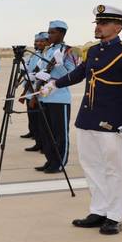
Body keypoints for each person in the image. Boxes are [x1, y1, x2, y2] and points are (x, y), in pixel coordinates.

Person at [41, 5, 122, 235]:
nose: (98, 27)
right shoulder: (92, 51)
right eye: (98, 23)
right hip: (87, 119)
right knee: (91, 167)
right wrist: (54, 84)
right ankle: (99, 210)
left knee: (114, 170)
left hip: (112, 122)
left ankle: (115, 216)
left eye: (103, 23)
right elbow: (78, 74)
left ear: (117, 27)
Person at [34, 21, 77, 174]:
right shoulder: (47, 50)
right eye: (49, 32)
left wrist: (59, 65)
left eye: (52, 32)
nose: (49, 35)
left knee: (60, 133)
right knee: (46, 133)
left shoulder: (68, 51)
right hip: (44, 97)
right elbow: (42, 71)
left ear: (61, 33)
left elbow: (71, 75)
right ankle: (50, 160)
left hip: (59, 97)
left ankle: (59, 163)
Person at [22, 32, 49, 149]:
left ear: (48, 42)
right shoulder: (35, 54)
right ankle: (38, 142)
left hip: (42, 89)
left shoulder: (47, 54)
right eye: (37, 41)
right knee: (33, 117)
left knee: (41, 120)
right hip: (31, 88)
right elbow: (30, 69)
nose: (38, 43)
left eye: (42, 41)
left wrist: (36, 75)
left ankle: (44, 144)